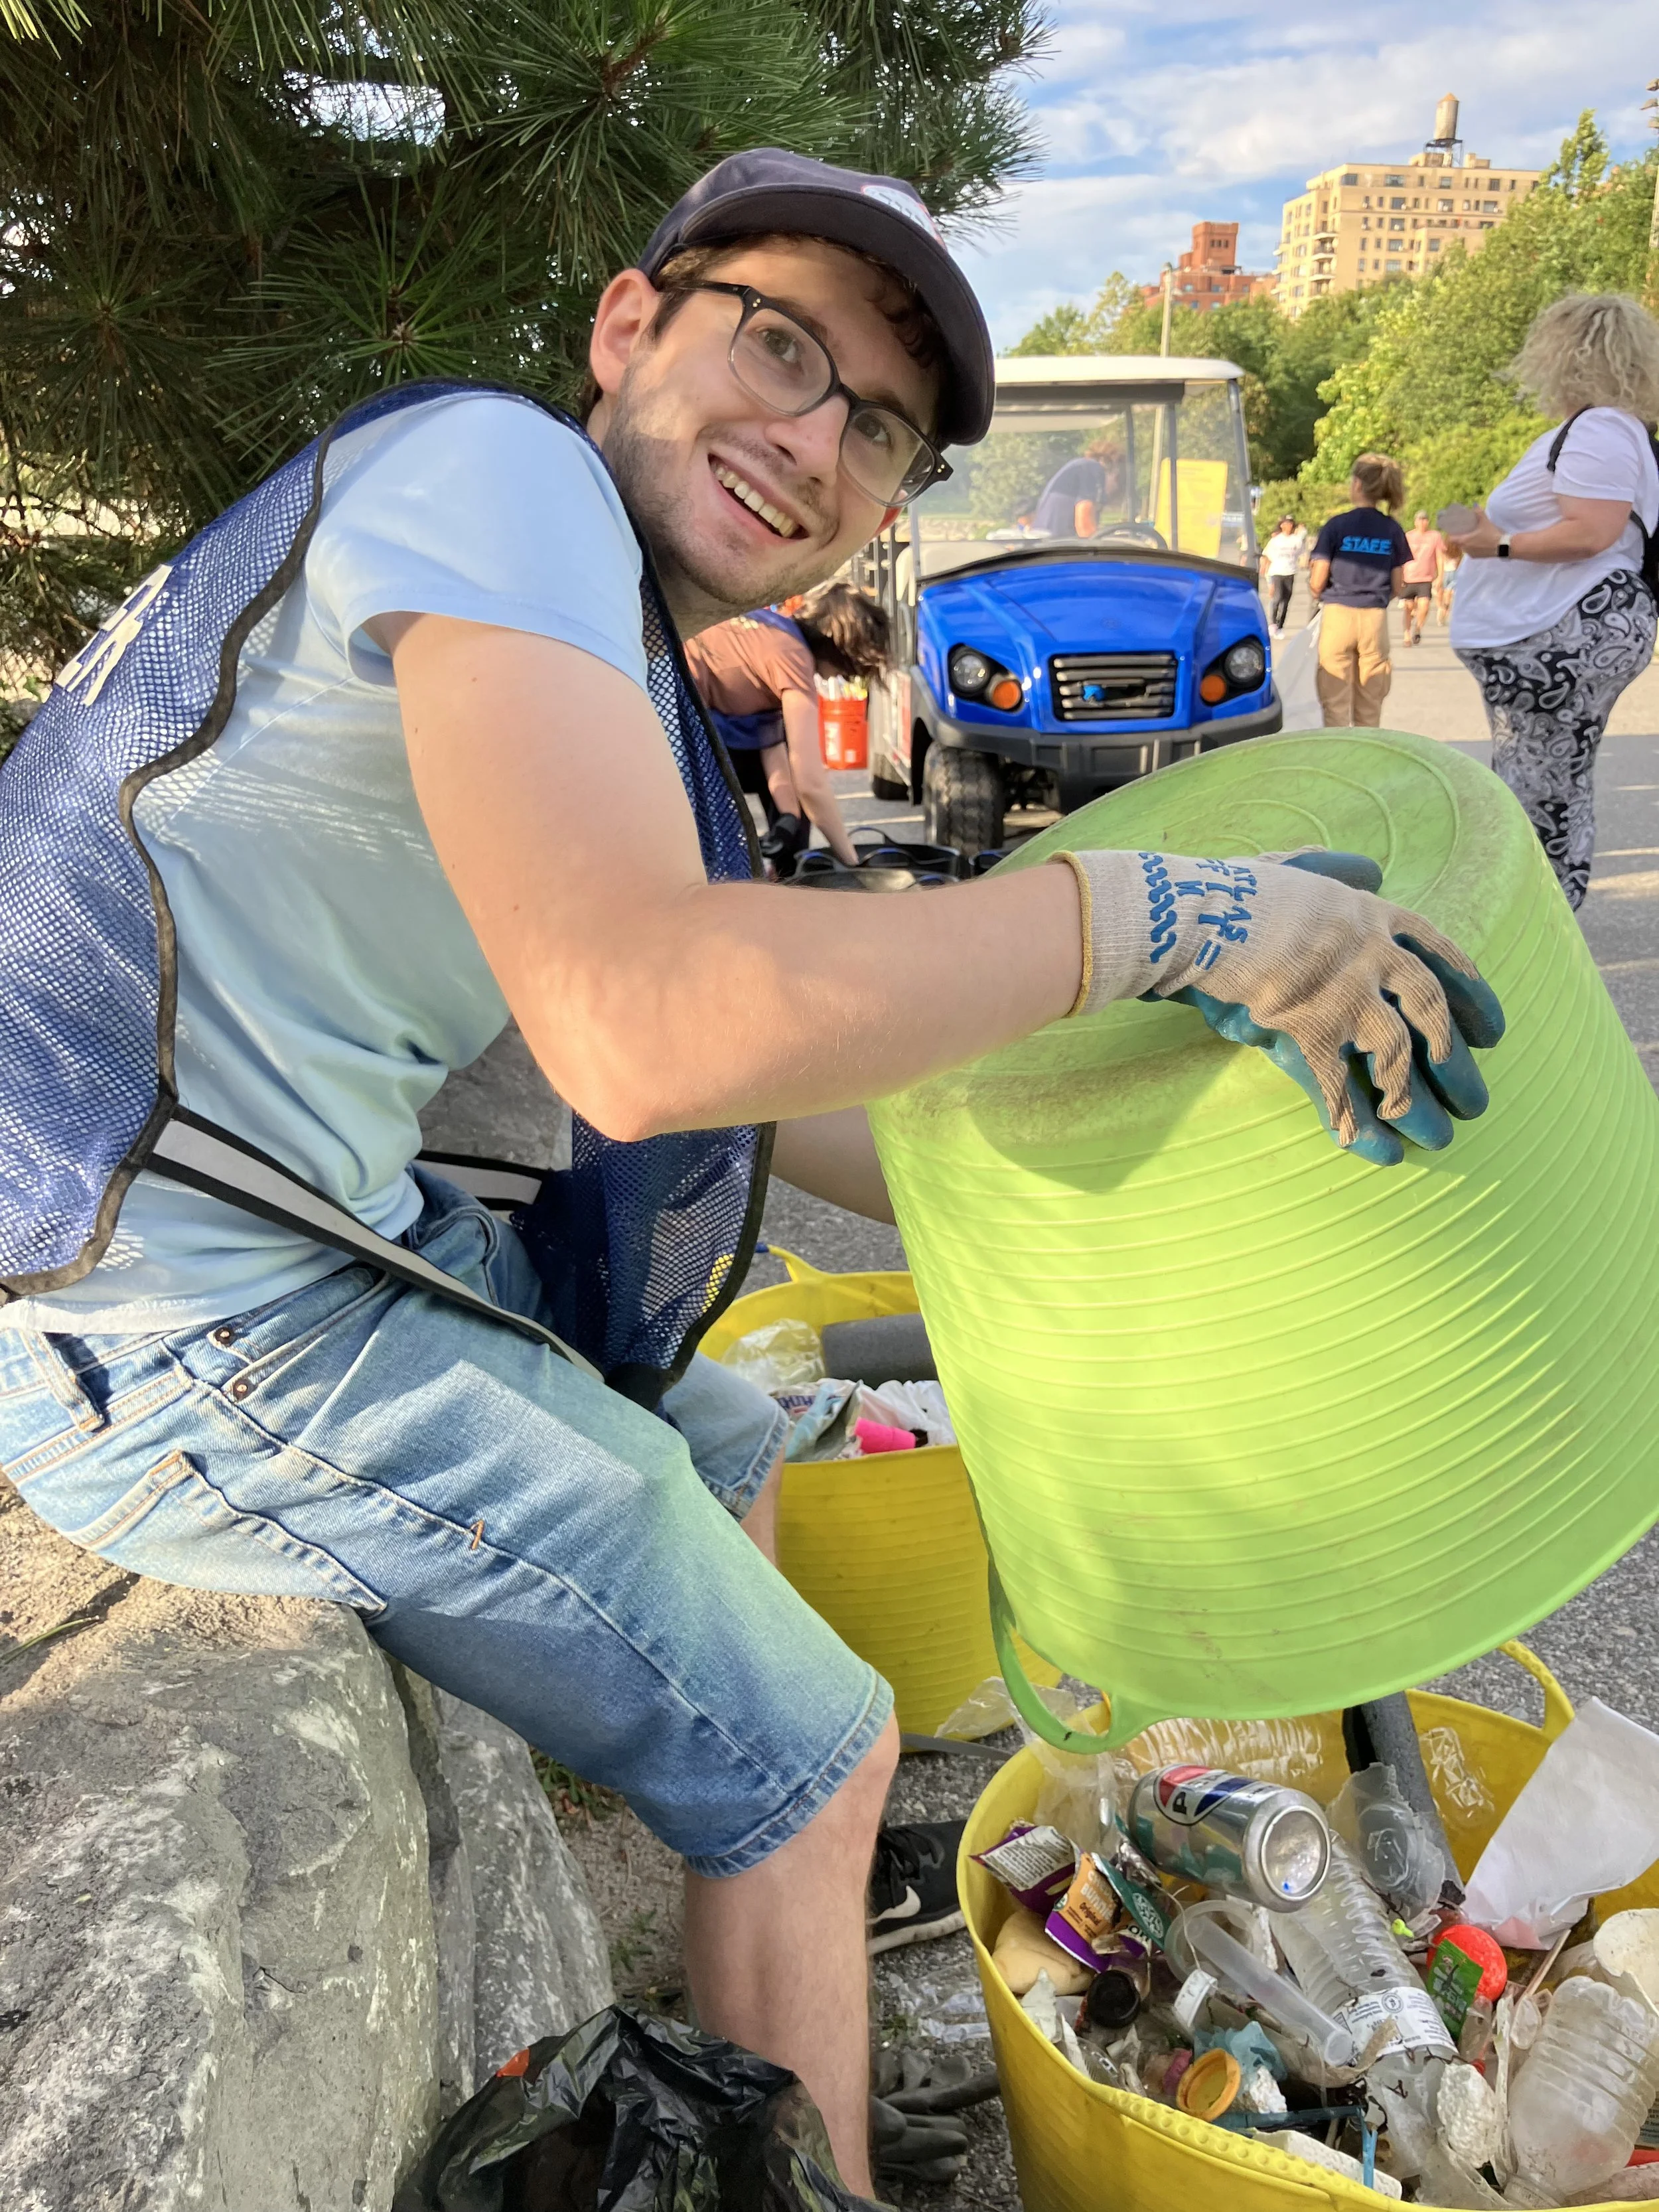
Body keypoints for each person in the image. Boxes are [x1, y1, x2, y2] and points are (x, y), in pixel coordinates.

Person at [0, 148, 1505, 2190]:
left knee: (724, 1428)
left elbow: (722, 1097)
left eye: (872, 428)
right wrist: (1167, 914)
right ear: (629, 329)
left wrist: (1176, 1136)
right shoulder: (499, 476)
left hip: (262, 1228)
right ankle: (804, 2048)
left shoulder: (584, 647)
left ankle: (745, 2007)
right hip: (151, 1305)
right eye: (777, 346)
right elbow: (646, 1016)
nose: (812, 439)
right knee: (808, 1749)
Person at [1446, 291, 1659, 911]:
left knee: (1540, 789)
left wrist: (1498, 544)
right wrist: (1486, 533)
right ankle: (1541, 922)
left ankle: (1532, 926)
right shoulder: (1602, 431)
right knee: (1550, 782)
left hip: (1564, 632)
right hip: (1566, 631)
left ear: (1566, 354)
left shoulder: (1599, 428)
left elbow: (1592, 531)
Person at [687, 583, 887, 875]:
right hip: (677, 719)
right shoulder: (793, 656)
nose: (842, 678)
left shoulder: (775, 633)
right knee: (721, 845)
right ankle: (780, 884)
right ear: (841, 649)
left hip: (695, 717)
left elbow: (770, 744)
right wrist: (852, 864)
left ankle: (783, 875)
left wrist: (788, 818)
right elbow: (811, 783)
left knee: (796, 814)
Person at [1307, 454, 1411, 726]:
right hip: (1374, 620)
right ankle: (1366, 761)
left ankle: (1338, 760)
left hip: (1338, 616)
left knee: (1335, 702)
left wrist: (1319, 592)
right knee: (1370, 703)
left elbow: (1318, 580)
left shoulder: (1337, 526)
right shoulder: (1393, 529)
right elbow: (1399, 585)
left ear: (1356, 484)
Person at [1032, 432, 1125, 539]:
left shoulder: (1079, 469)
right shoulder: (1093, 468)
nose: (1116, 487)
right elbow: (1085, 528)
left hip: (1049, 546)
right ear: (1115, 471)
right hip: (1057, 548)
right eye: (1118, 480)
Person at [1400, 510, 1446, 646]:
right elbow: (1401, 557)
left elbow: (1440, 557)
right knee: (1408, 607)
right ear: (1415, 522)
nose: (1422, 522)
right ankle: (1406, 633)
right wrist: (1399, 576)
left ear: (1428, 522)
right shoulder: (1408, 536)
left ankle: (1418, 629)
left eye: (1425, 519)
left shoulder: (1435, 536)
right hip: (1409, 577)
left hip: (1425, 578)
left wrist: (1440, 576)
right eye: (1420, 520)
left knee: (1424, 606)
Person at [1259, 514, 1306, 631]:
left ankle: (1280, 626)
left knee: (1286, 600)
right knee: (1277, 598)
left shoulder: (1296, 540)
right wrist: (1264, 569)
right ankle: (1272, 623)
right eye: (1287, 524)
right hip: (1277, 571)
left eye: (1291, 524)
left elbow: (1301, 553)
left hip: (1290, 572)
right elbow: (1267, 556)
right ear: (1282, 525)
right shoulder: (1276, 540)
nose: (1289, 526)